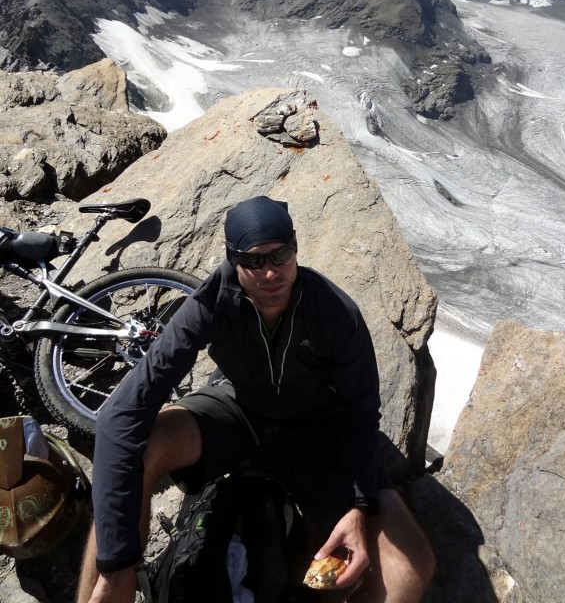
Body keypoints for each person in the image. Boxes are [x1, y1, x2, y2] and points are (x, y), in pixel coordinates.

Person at [77, 196, 435, 603]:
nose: (270, 272)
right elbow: (123, 414)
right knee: (144, 447)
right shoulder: (210, 305)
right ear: (233, 262)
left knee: (410, 567)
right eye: (252, 261)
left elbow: (360, 414)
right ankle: (105, 592)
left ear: (295, 247)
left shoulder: (334, 313)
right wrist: (117, 567)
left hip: (316, 434)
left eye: (280, 255)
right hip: (238, 412)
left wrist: (357, 507)